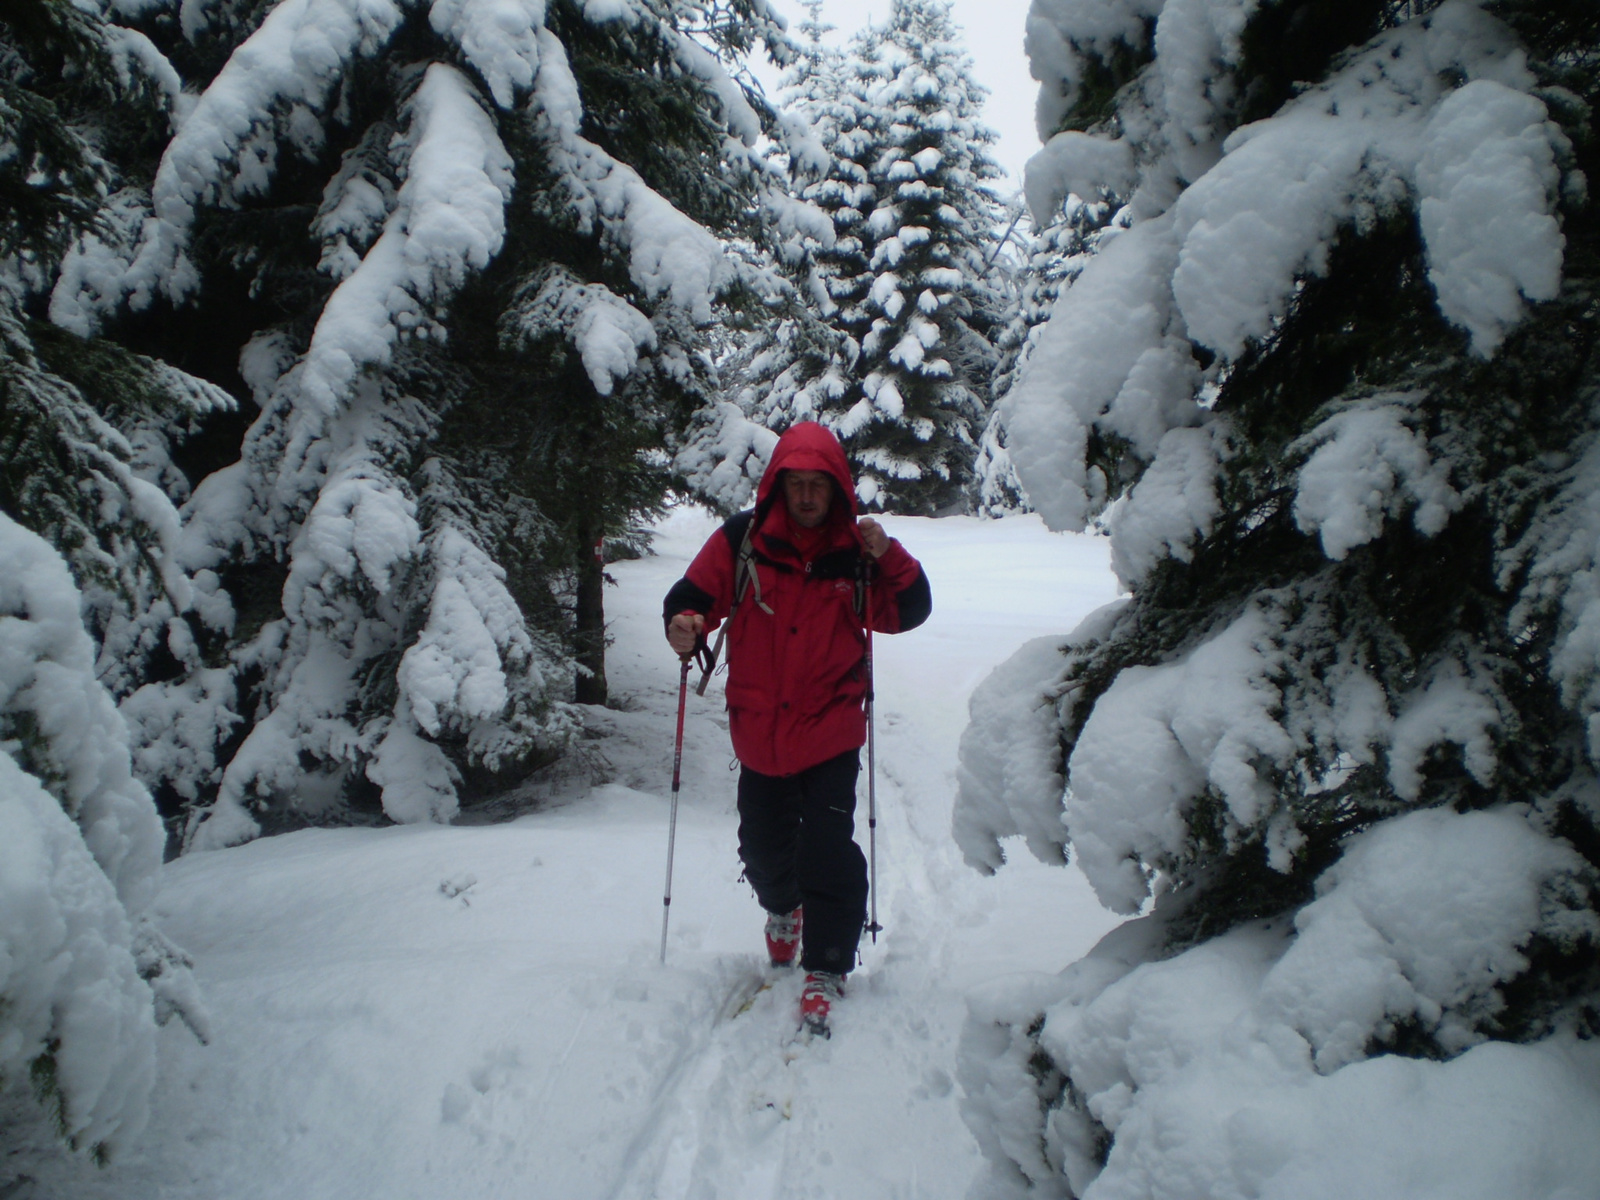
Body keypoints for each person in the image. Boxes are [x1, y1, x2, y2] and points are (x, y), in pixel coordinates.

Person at [663, 422, 931, 1036]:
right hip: (759, 733)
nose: (808, 497)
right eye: (797, 485)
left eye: (819, 485)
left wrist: (889, 555)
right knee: (762, 849)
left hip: (830, 730)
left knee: (827, 850)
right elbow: (693, 596)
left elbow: (911, 610)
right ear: (777, 487)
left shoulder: (856, 557)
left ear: (838, 489)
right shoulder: (744, 541)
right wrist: (683, 623)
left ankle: (828, 965)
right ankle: (784, 910)